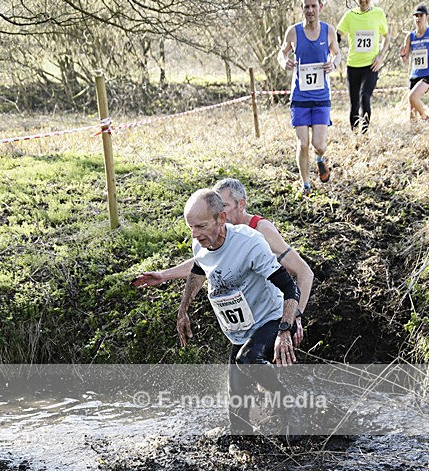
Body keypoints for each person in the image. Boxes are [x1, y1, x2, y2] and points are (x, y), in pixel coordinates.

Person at [131, 178, 313, 347]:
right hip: (242, 322)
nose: (220, 211)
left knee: (251, 361)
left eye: (223, 206)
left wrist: (295, 317)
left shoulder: (258, 233)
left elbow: (304, 271)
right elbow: (203, 262)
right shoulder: (213, 237)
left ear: (240, 205)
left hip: (270, 316)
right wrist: (164, 275)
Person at [176, 189, 300, 436]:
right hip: (240, 331)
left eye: (200, 226)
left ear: (222, 218)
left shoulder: (249, 243)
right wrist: (183, 310)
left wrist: (285, 330)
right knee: (238, 421)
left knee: (249, 359)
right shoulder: (199, 244)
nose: (194, 234)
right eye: (191, 227)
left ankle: (291, 409)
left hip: (271, 318)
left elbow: (290, 287)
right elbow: (199, 271)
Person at [278, 0, 340, 195]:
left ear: (320, 7)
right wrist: (284, 61)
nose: (310, 10)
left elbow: (337, 54)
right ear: (302, 8)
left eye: (313, 6)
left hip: (321, 97)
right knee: (303, 143)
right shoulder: (293, 31)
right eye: (306, 6)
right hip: (300, 97)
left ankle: (320, 159)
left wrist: (334, 64)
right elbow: (282, 52)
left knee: (319, 145)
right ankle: (306, 184)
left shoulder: (329, 31)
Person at [337, 0, 390, 133]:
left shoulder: (378, 13)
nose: (363, 1)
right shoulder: (349, 15)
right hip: (353, 66)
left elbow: (386, 37)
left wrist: (380, 56)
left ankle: (364, 133)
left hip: (371, 66)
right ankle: (354, 134)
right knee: (354, 103)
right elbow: (337, 35)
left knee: (364, 96)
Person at [399, 4, 429, 122]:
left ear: (426, 17)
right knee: (412, 113)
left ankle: (425, 117)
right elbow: (405, 59)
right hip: (415, 74)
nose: (418, 18)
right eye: (416, 16)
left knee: (412, 97)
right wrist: (402, 55)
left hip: (428, 73)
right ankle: (414, 134)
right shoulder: (410, 36)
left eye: (421, 15)